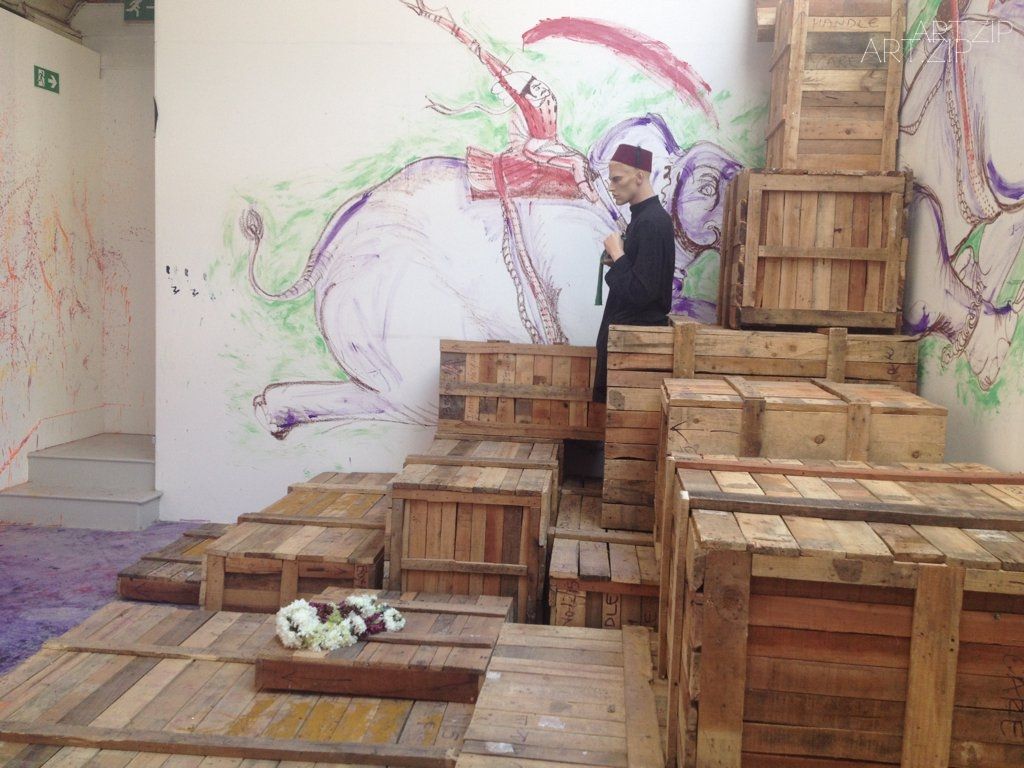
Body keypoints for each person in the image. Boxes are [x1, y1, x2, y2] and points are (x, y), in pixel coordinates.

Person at [593, 143, 675, 403]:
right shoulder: (643, 218)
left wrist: (618, 255)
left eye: (617, 179)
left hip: (634, 345)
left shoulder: (651, 222)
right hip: (629, 343)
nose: (611, 186)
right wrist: (619, 261)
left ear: (639, 176)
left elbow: (642, 293)